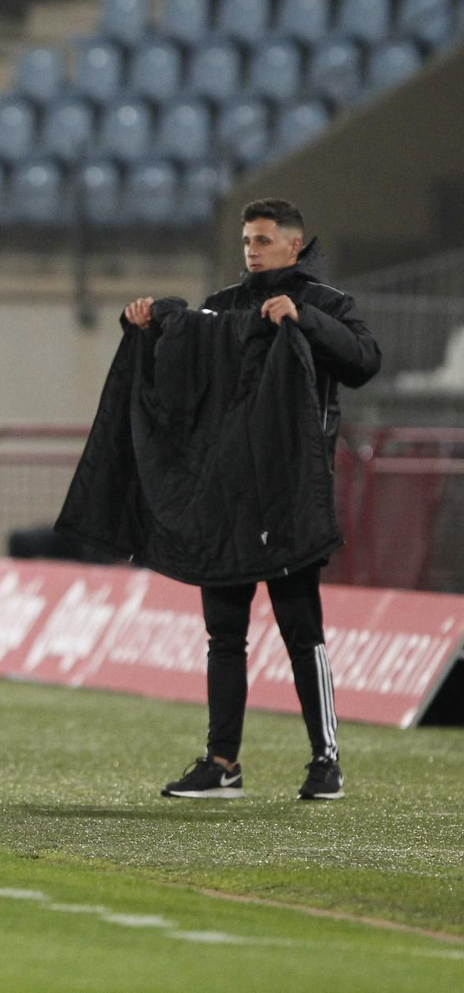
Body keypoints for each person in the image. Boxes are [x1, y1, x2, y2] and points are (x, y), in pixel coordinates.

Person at [112, 200, 380, 801]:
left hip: (289, 492)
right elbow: (183, 375)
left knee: (300, 627)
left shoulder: (327, 303)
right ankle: (222, 763)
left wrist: (304, 319)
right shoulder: (222, 305)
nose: (251, 251)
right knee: (224, 633)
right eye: (246, 241)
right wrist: (150, 326)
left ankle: (326, 761)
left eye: (262, 240)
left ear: (293, 244)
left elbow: (365, 361)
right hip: (226, 493)